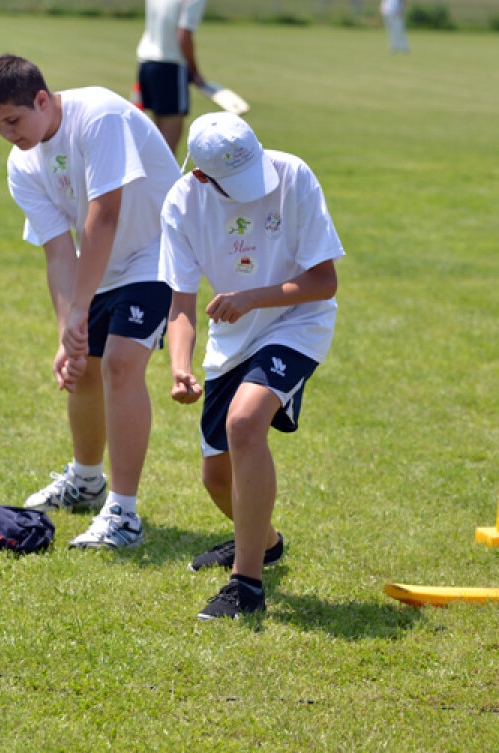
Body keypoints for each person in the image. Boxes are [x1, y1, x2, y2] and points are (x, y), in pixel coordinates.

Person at [0, 54, 180, 550]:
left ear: (42, 100)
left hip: (159, 250)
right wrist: (68, 330)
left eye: (13, 120)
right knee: (83, 366)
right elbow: (58, 250)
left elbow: (103, 216)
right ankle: (87, 483)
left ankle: (124, 516)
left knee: (120, 364)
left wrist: (81, 308)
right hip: (101, 262)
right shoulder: (21, 163)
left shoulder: (99, 116)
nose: (7, 133)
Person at [160, 112, 343, 620]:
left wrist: (252, 298)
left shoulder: (293, 175)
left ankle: (246, 584)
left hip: (297, 323)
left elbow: (323, 281)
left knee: (245, 423)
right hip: (230, 339)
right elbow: (181, 304)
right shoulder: (182, 203)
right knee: (216, 479)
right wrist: (180, 364)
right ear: (201, 175)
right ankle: (263, 543)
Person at [136, 0, 208, 154]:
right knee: (168, 146)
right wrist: (194, 71)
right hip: (170, 66)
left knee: (157, 137)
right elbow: (183, 37)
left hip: (146, 64)